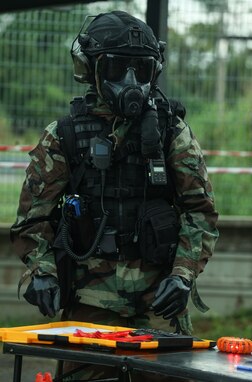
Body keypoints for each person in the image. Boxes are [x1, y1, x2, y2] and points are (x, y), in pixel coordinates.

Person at [10, 10, 219, 382]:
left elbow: (200, 212)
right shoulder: (65, 135)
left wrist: (183, 275)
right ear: (90, 69)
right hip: (91, 305)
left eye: (141, 69)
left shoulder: (172, 132)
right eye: (117, 68)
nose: (130, 80)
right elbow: (33, 219)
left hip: (160, 300)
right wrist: (41, 273)